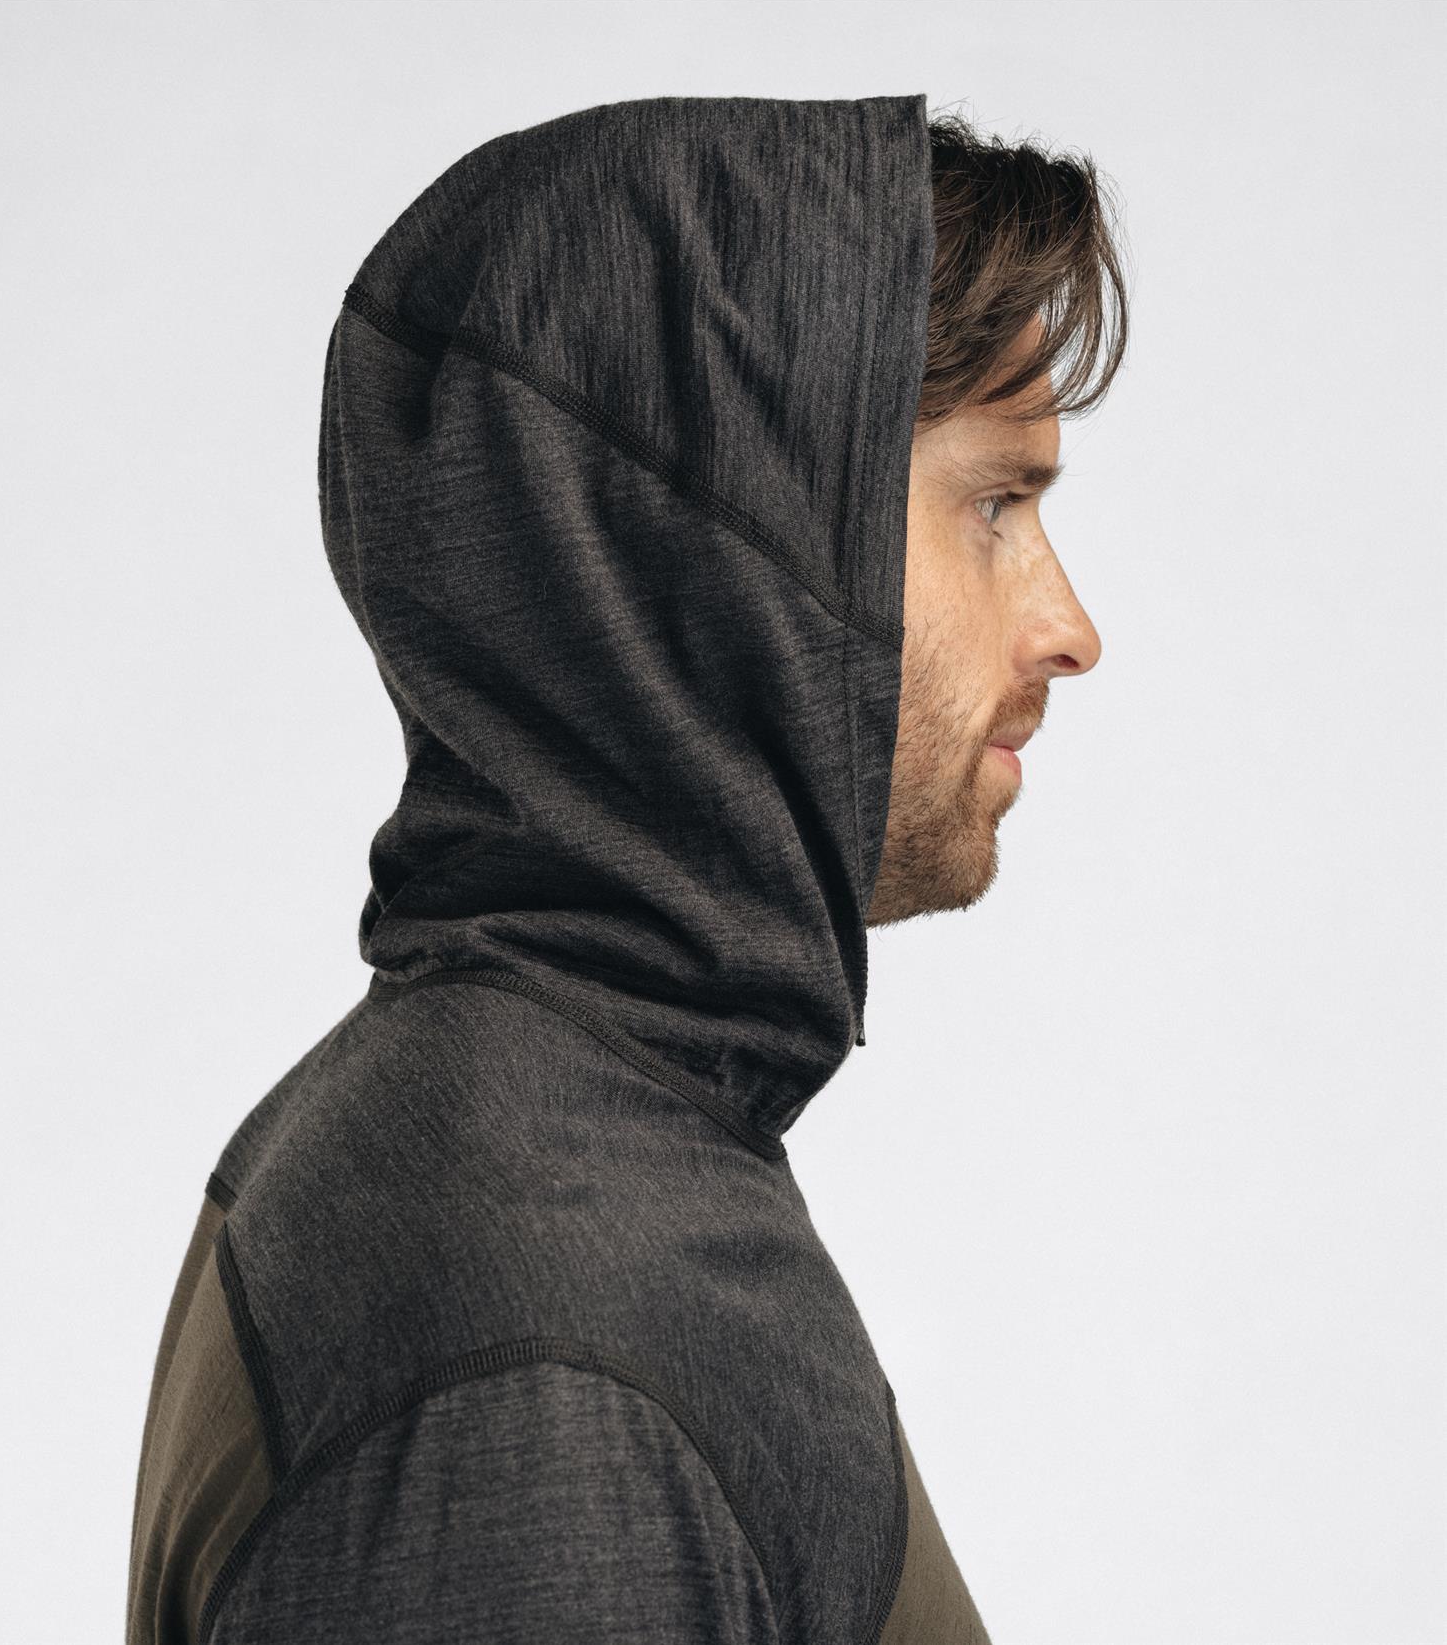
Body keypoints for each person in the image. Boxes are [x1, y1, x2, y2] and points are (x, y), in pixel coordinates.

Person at [125, 91, 1127, 1645]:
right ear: (730, 553)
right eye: (993, 503)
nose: (1069, 627)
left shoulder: (568, 1153)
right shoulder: (537, 1370)